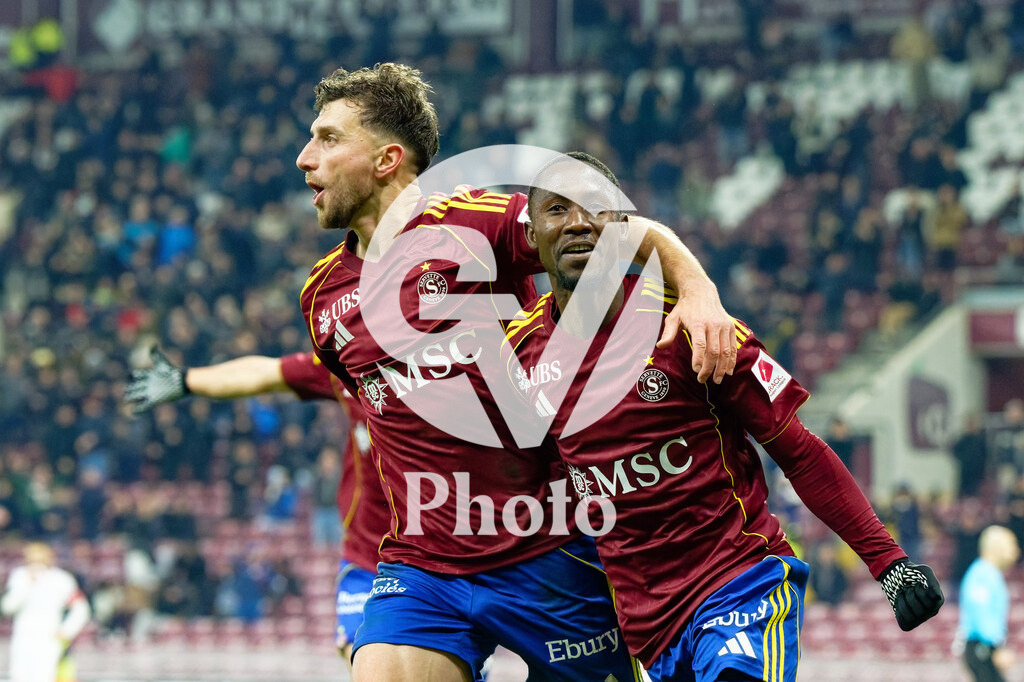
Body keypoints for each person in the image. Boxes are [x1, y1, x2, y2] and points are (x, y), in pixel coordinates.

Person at [294, 62, 736, 681]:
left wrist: (697, 290)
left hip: (549, 551)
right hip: (424, 566)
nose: (304, 158)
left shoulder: (478, 224)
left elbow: (622, 230)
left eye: (327, 138)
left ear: (387, 158)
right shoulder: (321, 299)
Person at [505, 151, 945, 681]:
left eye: (596, 207)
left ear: (624, 227)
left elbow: (798, 451)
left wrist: (889, 564)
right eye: (557, 210)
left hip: (740, 580)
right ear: (532, 236)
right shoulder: (521, 355)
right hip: (649, 628)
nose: (578, 222)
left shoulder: (693, 325)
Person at [124, 348, 384, 664]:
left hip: (435, 553)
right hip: (367, 554)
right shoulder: (351, 365)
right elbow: (266, 373)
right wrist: (186, 379)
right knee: (361, 653)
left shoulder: (451, 369)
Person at [1, 542, 91, 682]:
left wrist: (66, 631)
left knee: (44, 676)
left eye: (40, 559)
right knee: (18, 676)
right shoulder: (19, 576)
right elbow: (7, 607)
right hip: (22, 636)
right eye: (32, 559)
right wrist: (26, 586)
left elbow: (81, 609)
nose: (36, 563)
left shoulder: (61, 579)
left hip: (49, 636)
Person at [958, 525, 1019, 682]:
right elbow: (981, 612)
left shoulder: (990, 574)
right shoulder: (982, 575)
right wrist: (994, 648)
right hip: (982, 647)